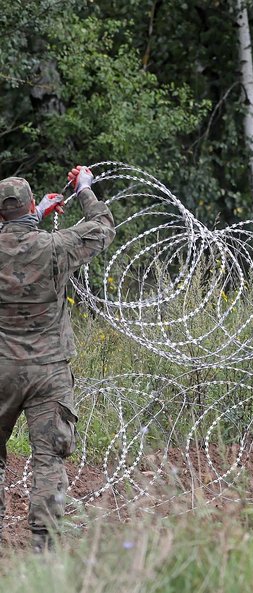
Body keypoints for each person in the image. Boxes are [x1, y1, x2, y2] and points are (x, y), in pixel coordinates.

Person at [0, 166, 115, 551]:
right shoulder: (56, 246)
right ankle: (43, 544)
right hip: (49, 370)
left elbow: (12, 234)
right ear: (32, 204)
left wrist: (30, 218)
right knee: (48, 458)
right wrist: (85, 190)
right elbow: (101, 228)